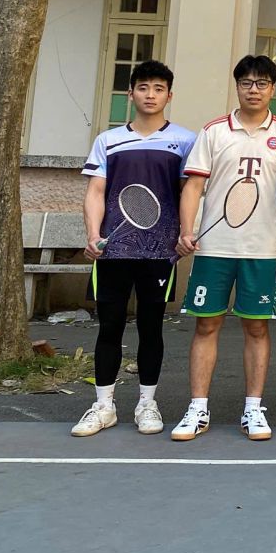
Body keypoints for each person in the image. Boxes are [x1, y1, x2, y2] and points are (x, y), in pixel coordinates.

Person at [171, 55, 276, 442]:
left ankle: (253, 408)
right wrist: (187, 230)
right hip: (214, 248)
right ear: (238, 86)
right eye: (247, 83)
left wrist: (265, 217)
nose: (254, 90)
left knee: (256, 327)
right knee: (206, 324)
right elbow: (193, 186)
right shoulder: (213, 131)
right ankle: (197, 408)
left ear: (273, 89)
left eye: (262, 83)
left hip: (261, 251)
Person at [71, 60, 196, 438]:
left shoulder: (185, 141)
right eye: (143, 87)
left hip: (160, 251)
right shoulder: (107, 140)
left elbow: (190, 192)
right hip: (113, 250)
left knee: (151, 327)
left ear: (169, 96)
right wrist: (93, 234)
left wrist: (186, 233)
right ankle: (104, 405)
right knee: (109, 326)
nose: (150, 95)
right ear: (131, 94)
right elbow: (95, 191)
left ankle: (147, 404)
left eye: (158, 89)